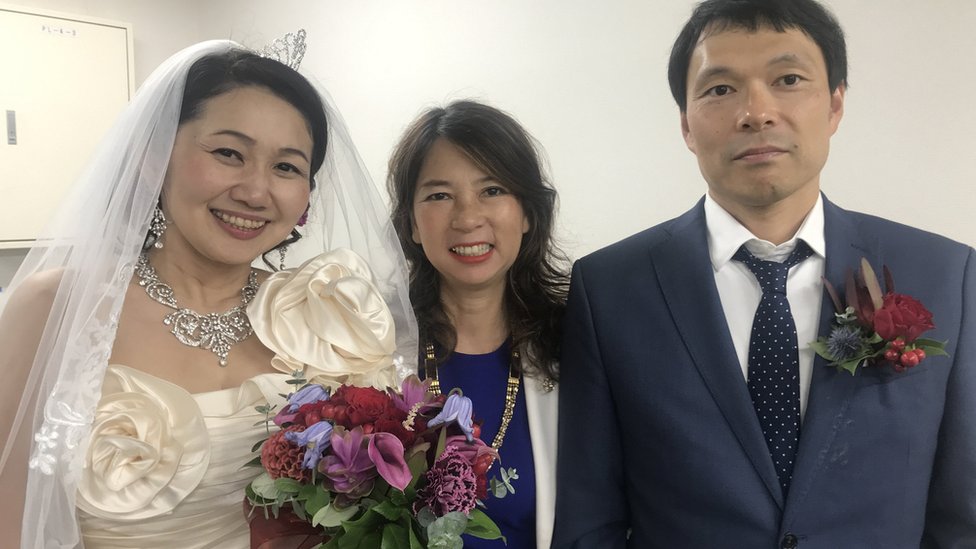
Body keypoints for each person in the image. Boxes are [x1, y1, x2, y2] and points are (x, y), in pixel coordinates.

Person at [552, 1, 976, 547]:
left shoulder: (946, 274)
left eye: (788, 79)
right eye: (720, 89)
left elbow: (962, 516)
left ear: (835, 105)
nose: (756, 112)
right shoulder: (609, 289)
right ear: (685, 123)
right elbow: (590, 521)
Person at [0, 38, 416, 548]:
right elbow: (10, 519)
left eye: (286, 167)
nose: (255, 191)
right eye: (228, 153)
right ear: (156, 158)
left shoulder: (320, 314)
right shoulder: (57, 307)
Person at [388, 100, 569, 548]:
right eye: (439, 195)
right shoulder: (372, 343)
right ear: (411, 224)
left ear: (527, 213)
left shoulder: (576, 343)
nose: (468, 218)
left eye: (492, 190)